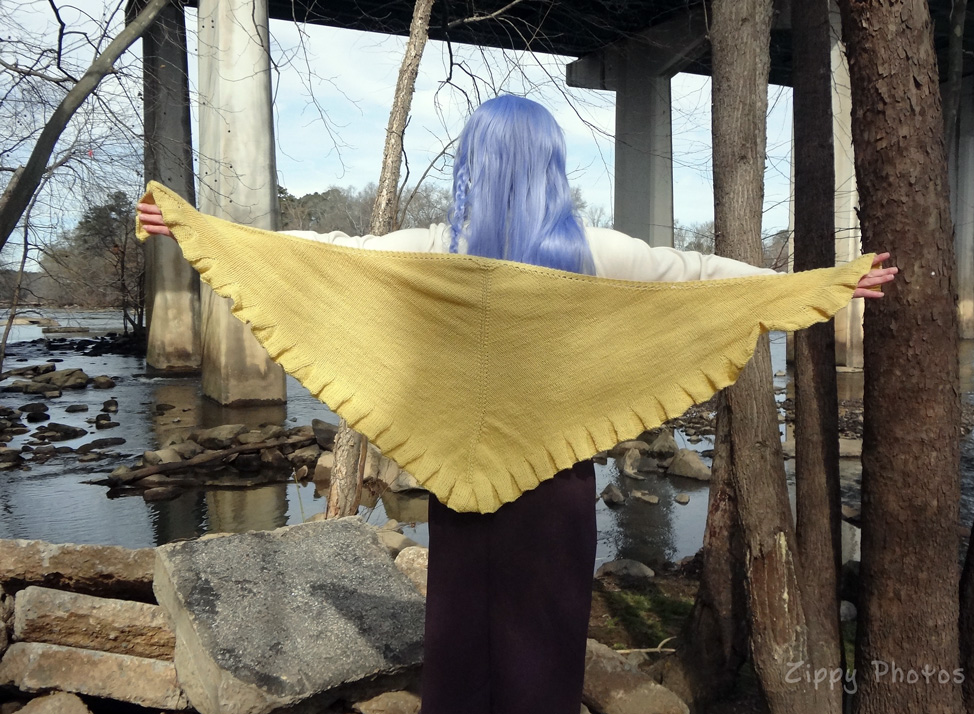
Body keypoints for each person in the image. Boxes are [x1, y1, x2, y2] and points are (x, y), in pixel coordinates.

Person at [138, 95, 895, 714]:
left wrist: (200, 231)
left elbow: (324, 257)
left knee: (459, 654)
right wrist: (823, 284)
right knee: (544, 659)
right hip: (557, 485)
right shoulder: (599, 254)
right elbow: (702, 278)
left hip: (457, 491)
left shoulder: (432, 249)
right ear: (550, 166)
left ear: (473, 163)